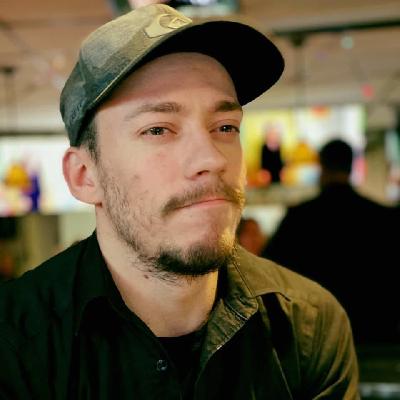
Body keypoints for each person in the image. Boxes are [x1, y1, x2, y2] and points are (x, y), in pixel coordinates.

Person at [0, 4, 359, 399]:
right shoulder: (15, 341)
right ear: (85, 176)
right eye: (158, 129)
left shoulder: (308, 325)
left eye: (225, 127)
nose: (212, 159)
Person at [264, 139, 399, 345]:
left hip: (316, 336)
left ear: (322, 166)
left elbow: (270, 274)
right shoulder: (384, 219)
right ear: (352, 166)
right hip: (376, 333)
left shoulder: (299, 219)